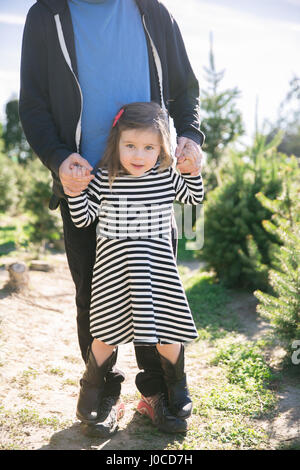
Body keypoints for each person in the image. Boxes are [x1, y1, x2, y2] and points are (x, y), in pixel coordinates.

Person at [19, 0, 205, 436]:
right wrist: (60, 159)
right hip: (84, 180)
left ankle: (159, 391)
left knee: (154, 289)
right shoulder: (47, 15)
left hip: (152, 194)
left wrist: (191, 140)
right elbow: (33, 104)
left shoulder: (151, 12)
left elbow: (186, 90)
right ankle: (103, 393)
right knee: (95, 293)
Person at [66, 101, 204, 434]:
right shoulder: (105, 178)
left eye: (148, 147)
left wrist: (193, 172)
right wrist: (75, 192)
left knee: (167, 331)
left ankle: (176, 385)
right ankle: (93, 385)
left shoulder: (165, 176)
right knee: (105, 333)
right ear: (116, 143)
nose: (139, 154)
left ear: (162, 149)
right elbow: (83, 218)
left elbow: (192, 198)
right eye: (130, 145)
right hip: (114, 273)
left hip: (157, 272)